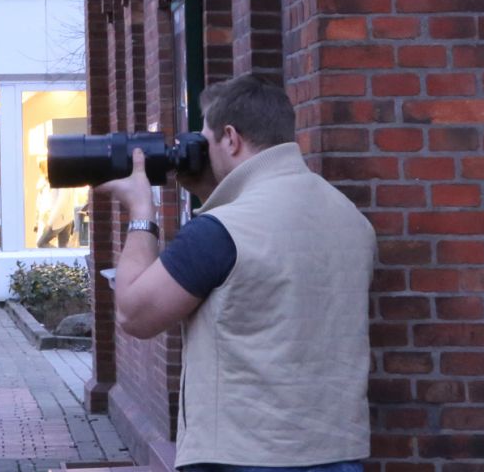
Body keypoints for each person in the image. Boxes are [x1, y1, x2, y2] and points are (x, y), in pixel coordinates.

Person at [94, 74, 376, 472]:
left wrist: (142, 213)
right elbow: (268, 281)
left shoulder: (221, 231)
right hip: (336, 453)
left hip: (242, 456)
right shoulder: (350, 218)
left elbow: (134, 313)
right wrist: (210, 195)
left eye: (204, 141)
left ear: (230, 138)